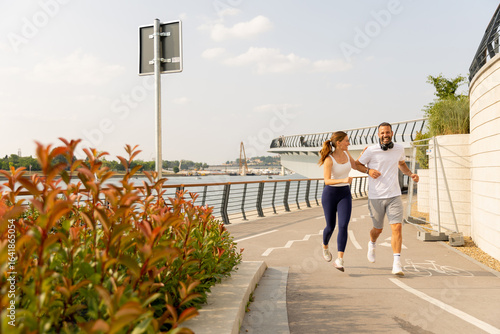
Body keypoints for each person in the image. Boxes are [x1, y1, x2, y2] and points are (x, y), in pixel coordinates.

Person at [355, 122, 419, 276]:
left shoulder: (399, 148)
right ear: (378, 135)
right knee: (378, 229)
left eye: (387, 132)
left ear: (392, 133)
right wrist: (368, 171)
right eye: (382, 133)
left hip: (394, 195)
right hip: (376, 196)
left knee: (397, 227)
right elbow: (357, 165)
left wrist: (410, 174)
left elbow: (401, 164)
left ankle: (397, 263)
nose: (385, 135)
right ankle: (372, 243)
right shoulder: (371, 150)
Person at [318, 131, 367, 272]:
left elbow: (355, 166)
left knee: (344, 225)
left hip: (344, 194)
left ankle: (340, 259)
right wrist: (343, 180)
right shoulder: (329, 159)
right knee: (330, 226)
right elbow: (327, 181)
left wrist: (362, 156)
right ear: (338, 143)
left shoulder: (347, 154)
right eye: (346, 141)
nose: (349, 143)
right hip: (330, 195)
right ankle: (325, 246)